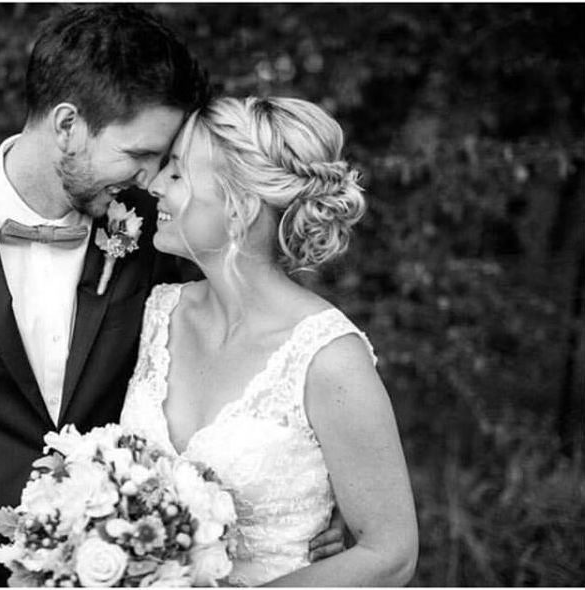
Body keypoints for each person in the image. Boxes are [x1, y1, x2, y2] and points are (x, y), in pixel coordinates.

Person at [0, 7, 343, 586]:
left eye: (163, 161)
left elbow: (256, 345)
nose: (151, 178)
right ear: (67, 126)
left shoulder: (159, 232)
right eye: (139, 155)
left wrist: (316, 491)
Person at [120, 96, 419, 586]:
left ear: (239, 206)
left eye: (176, 173)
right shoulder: (158, 313)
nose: (154, 186)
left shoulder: (328, 357)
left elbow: (390, 555)